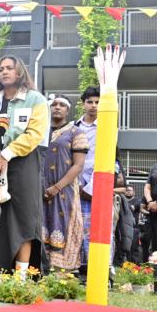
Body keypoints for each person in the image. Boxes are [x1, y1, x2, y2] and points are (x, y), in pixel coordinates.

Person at [0, 56, 48, 276]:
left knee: (24, 218)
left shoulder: (35, 99)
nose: (5, 71)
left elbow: (35, 134)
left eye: (10, 68)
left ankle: (20, 277)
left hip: (23, 162)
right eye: (1, 69)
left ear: (20, 72)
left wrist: (7, 154)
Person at [42, 95, 88, 271]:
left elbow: (78, 165)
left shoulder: (76, 132)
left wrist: (56, 187)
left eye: (62, 105)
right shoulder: (41, 130)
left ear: (67, 110)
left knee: (62, 223)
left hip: (64, 190)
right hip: (40, 188)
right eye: (54, 104)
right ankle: (40, 269)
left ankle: (62, 270)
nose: (57, 107)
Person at [74, 86, 101, 265]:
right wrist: (75, 184)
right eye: (90, 102)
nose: (93, 106)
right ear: (83, 104)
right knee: (74, 227)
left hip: (95, 187)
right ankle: (75, 267)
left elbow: (109, 159)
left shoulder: (107, 127)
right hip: (74, 184)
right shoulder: (74, 127)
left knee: (94, 229)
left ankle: (95, 268)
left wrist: (91, 187)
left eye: (97, 102)